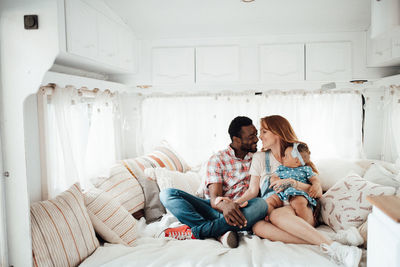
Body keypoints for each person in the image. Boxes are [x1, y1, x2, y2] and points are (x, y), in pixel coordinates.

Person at [233, 115, 364, 267]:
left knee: (277, 215)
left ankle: (335, 248)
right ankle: (333, 243)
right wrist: (232, 204)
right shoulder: (260, 157)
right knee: (257, 227)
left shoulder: (297, 153)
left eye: (264, 132)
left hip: (300, 205)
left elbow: (315, 190)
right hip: (276, 205)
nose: (259, 136)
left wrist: (293, 183)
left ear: (277, 132)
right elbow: (252, 191)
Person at [159, 116, 268, 248]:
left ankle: (199, 231)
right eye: (251, 137)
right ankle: (218, 231)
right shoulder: (218, 159)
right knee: (167, 194)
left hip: (242, 211)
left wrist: (235, 205)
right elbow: (214, 198)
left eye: (256, 135)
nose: (257, 139)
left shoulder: (257, 158)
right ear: (236, 140)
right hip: (215, 209)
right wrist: (226, 207)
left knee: (261, 205)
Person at [263, 142, 320, 225]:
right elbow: (274, 177)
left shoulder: (305, 169)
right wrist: (276, 181)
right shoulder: (281, 168)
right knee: (269, 202)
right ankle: (272, 219)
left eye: (286, 156)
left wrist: (316, 185)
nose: (283, 157)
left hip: (297, 193)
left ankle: (305, 224)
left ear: (297, 161)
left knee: (299, 203)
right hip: (281, 193)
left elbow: (314, 179)